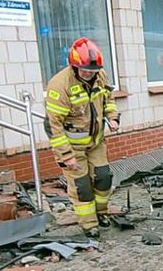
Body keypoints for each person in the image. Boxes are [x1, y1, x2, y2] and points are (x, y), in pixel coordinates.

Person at [45, 37, 120, 237]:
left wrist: (113, 118)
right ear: (74, 65)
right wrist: (66, 156)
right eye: (84, 70)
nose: (89, 74)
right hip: (72, 148)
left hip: (95, 143)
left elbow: (108, 98)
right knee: (82, 187)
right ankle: (89, 225)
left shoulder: (100, 75)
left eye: (92, 70)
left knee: (103, 178)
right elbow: (53, 125)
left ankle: (101, 213)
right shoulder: (60, 85)